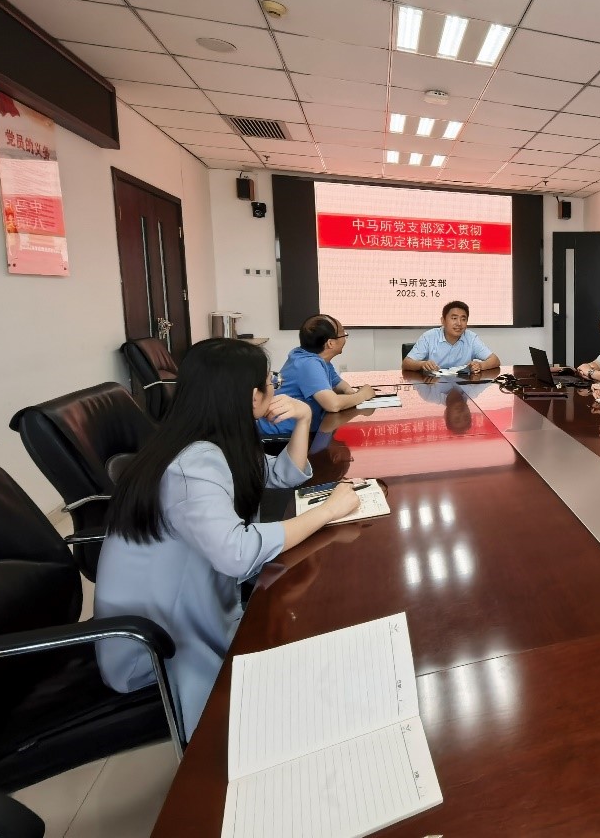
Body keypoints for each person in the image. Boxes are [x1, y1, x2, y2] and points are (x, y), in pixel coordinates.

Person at [94, 338, 361, 738]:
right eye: (271, 381)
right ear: (252, 396)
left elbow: (281, 475)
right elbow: (237, 553)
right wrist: (327, 512)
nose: (275, 387)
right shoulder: (192, 464)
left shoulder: (210, 440)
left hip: (190, 610)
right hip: (152, 644)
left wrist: (305, 418)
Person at [260, 314, 376, 435]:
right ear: (330, 343)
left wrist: (351, 393)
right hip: (280, 435)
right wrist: (362, 395)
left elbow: (339, 385)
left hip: (299, 430)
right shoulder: (308, 363)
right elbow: (333, 404)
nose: (345, 339)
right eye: (344, 334)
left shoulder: (315, 358)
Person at [403, 300, 500, 375]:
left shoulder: (471, 338)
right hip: (434, 385)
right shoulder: (429, 337)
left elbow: (495, 360)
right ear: (443, 321)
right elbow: (406, 363)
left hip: (462, 386)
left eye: (463, 319)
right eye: (454, 318)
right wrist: (422, 364)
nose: (459, 323)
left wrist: (480, 365)